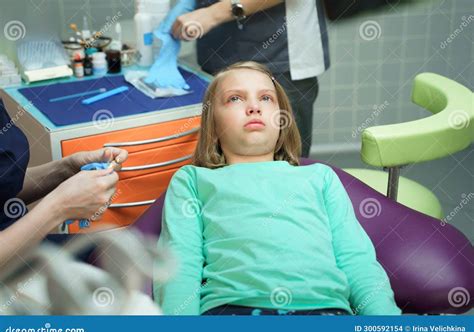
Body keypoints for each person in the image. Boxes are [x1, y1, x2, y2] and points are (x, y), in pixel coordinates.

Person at [153, 61, 401, 316]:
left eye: (266, 98)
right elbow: (180, 263)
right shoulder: (192, 180)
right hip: (234, 310)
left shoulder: (320, 177)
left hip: (325, 311)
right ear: (213, 127)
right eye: (235, 98)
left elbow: (356, 260)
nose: (254, 107)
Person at [150, 0, 329, 157]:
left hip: (280, 56)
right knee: (223, 158)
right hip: (218, 56)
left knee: (285, 166)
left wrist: (213, 13)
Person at [0, 99, 128, 265]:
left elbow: (5, 187)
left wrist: (65, 169)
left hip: (22, 242)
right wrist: (57, 209)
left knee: (118, 255)